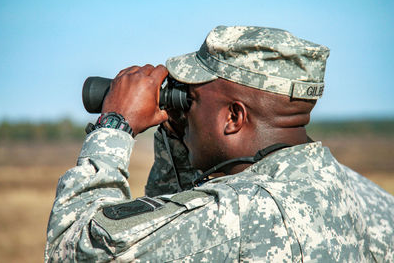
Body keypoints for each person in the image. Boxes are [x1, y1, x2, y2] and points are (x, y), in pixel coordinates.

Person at [45, 26, 394, 262]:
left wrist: (114, 125)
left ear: (234, 118)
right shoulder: (351, 191)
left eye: (191, 99)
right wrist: (179, 134)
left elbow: (70, 248)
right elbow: (175, 216)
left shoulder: (237, 213)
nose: (183, 107)